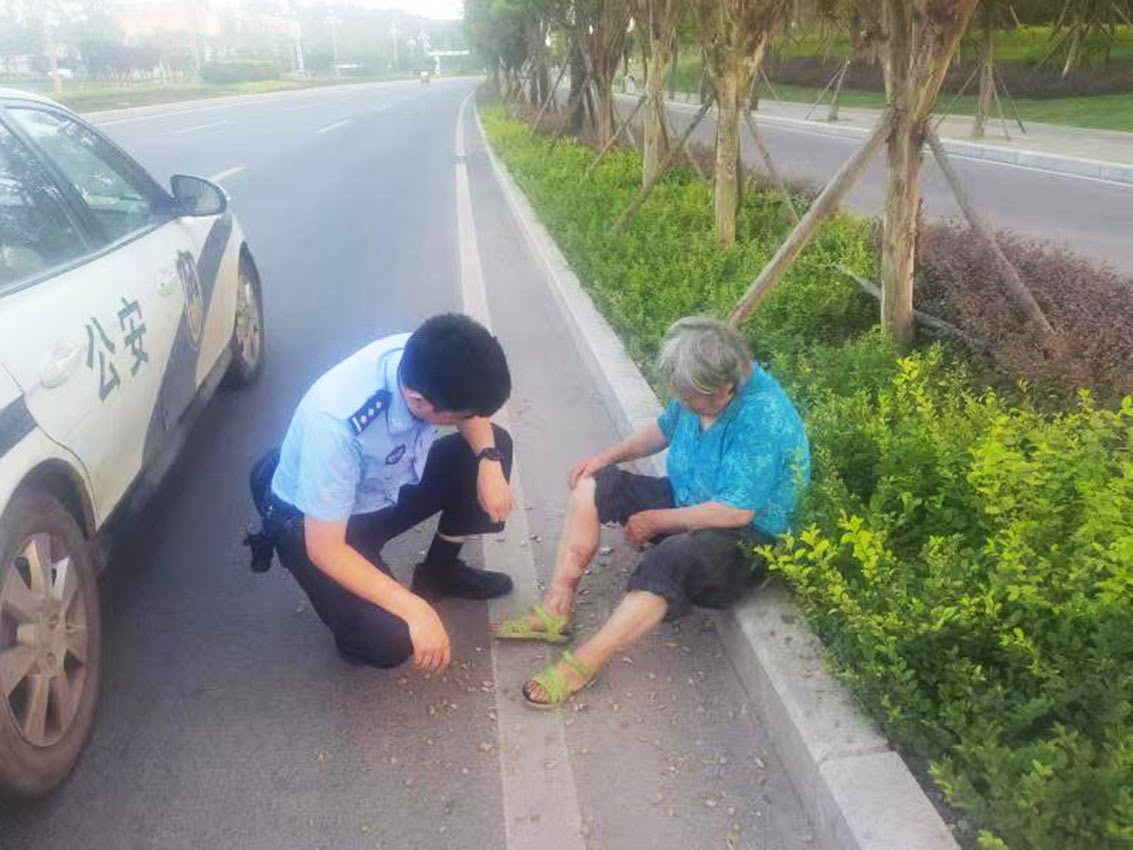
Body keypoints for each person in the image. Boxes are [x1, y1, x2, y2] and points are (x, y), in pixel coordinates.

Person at [494, 317, 810, 708]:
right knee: (596, 484)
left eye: (689, 397)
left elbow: (736, 511)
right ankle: (556, 609)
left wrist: (656, 520)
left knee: (669, 560)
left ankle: (583, 664)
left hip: (748, 539)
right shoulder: (700, 389)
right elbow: (662, 430)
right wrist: (605, 457)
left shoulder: (763, 418)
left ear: (722, 389)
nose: (681, 402)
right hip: (691, 500)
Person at [254, 314, 515, 673]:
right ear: (420, 400)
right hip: (316, 521)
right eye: (463, 414)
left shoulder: (426, 356)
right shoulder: (337, 426)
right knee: (390, 639)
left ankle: (440, 571)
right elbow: (325, 548)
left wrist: (488, 460)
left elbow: (471, 413)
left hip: (380, 489)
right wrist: (415, 609)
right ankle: (352, 627)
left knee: (494, 444)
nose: (471, 418)